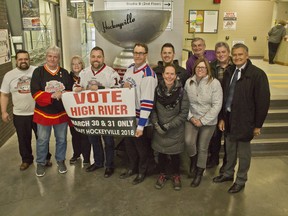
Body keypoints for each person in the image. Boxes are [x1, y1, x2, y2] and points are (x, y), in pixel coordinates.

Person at [213, 43, 270, 193]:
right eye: (235, 55)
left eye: (241, 54)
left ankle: (241, 180)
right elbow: (226, 97)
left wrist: (258, 125)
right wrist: (223, 118)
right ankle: (227, 174)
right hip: (230, 119)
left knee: (243, 154)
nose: (238, 57)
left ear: (247, 55)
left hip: (246, 121)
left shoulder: (257, 74)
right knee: (230, 150)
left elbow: (263, 101)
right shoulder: (230, 71)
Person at [0, 50, 51, 171]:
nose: (23, 61)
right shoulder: (9, 75)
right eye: (20, 59)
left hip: (39, 112)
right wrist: (3, 111)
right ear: (16, 61)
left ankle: (45, 158)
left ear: (29, 59)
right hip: (20, 114)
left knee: (42, 138)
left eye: (25, 59)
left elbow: (47, 89)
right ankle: (26, 160)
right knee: (23, 139)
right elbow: (4, 94)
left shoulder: (37, 71)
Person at [73, 46, 120, 178]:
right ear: (90, 58)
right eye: (93, 56)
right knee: (93, 139)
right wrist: (76, 88)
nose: (96, 59)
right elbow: (77, 85)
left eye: (99, 57)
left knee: (109, 141)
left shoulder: (111, 73)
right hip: (91, 113)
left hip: (106, 113)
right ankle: (98, 162)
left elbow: (117, 90)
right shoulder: (84, 72)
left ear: (103, 58)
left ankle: (109, 165)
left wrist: (99, 88)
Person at [30, 45, 74, 177]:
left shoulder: (64, 73)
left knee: (61, 139)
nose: (52, 59)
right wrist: (51, 96)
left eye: (55, 57)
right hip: (43, 113)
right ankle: (41, 163)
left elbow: (71, 91)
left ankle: (60, 160)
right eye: (50, 56)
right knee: (42, 140)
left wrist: (64, 92)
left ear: (59, 59)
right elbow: (35, 92)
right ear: (46, 57)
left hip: (60, 114)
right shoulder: (38, 72)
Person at [120, 43, 157, 185]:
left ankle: (142, 171)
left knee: (141, 147)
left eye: (141, 53)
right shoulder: (130, 69)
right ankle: (132, 168)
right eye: (136, 53)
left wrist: (141, 126)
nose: (138, 56)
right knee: (129, 145)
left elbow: (147, 102)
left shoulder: (148, 75)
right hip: (128, 115)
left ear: (146, 54)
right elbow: (123, 90)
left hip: (140, 118)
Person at [185, 58, 223, 187]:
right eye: (198, 67)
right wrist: (191, 118)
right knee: (189, 142)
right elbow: (184, 103)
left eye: (203, 67)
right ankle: (193, 161)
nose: (200, 69)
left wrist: (202, 121)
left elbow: (217, 105)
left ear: (208, 69)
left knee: (202, 147)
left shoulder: (214, 83)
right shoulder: (188, 82)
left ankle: (199, 172)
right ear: (194, 68)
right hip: (192, 118)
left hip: (208, 121)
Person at [151, 64, 189, 191]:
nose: (169, 76)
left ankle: (176, 176)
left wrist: (168, 126)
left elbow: (183, 114)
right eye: (167, 73)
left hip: (175, 130)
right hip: (159, 129)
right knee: (161, 153)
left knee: (175, 156)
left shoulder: (182, 92)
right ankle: (162, 174)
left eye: (172, 74)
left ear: (176, 76)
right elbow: (153, 109)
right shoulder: (156, 90)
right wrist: (156, 124)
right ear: (163, 75)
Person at [206, 42, 234, 171]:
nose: (221, 55)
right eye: (218, 52)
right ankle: (214, 158)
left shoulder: (235, 67)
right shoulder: (211, 67)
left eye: (223, 52)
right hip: (215, 106)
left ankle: (227, 163)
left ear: (228, 52)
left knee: (229, 137)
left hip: (230, 107)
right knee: (215, 136)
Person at [68, 55, 91, 166]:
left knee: (85, 135)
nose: (76, 65)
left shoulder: (87, 75)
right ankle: (76, 154)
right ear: (71, 66)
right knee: (75, 134)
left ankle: (86, 157)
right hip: (73, 112)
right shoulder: (67, 78)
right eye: (73, 64)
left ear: (82, 64)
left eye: (79, 63)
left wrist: (84, 89)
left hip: (86, 111)